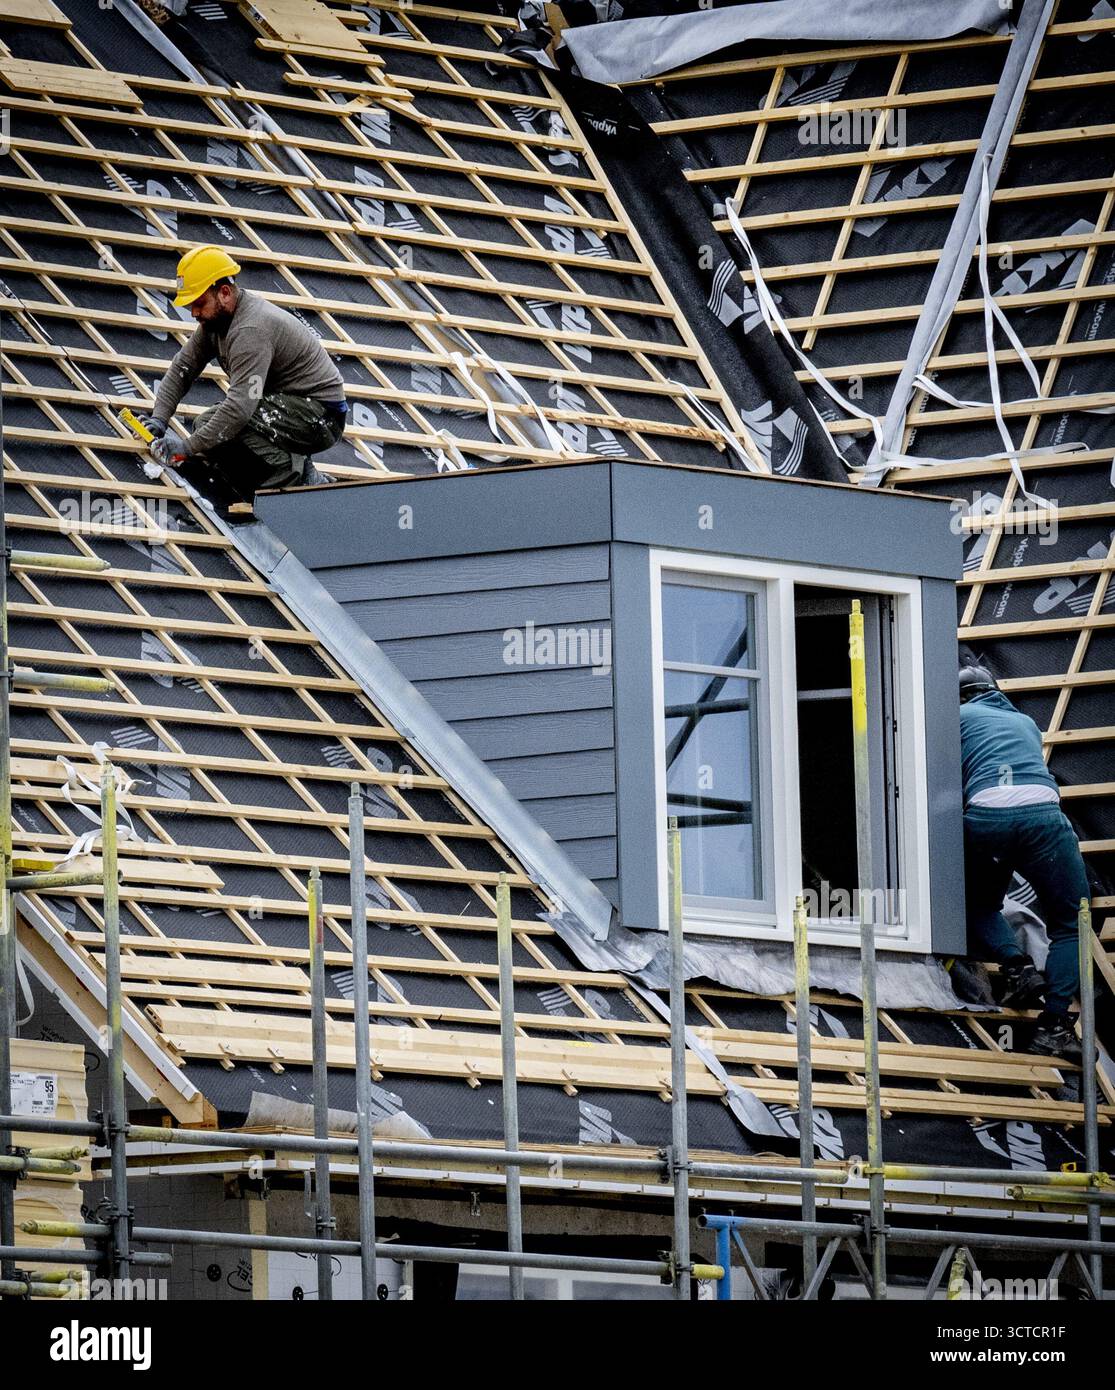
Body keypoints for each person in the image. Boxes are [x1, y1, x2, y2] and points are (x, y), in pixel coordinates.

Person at [141, 245, 348, 509]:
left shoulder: (250, 330)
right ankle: (285, 470)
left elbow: (240, 408)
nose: (194, 313)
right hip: (285, 405)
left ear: (224, 293)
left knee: (223, 429)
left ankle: (300, 477)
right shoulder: (215, 323)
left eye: (199, 303)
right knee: (208, 424)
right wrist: (159, 418)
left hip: (319, 414)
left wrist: (186, 448)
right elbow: (183, 368)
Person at [959, 663, 1089, 1059]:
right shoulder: (1025, 722)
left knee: (979, 903)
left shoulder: (955, 719)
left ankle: (1017, 966)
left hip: (984, 815)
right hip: (1043, 817)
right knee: (1071, 924)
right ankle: (1054, 1025)